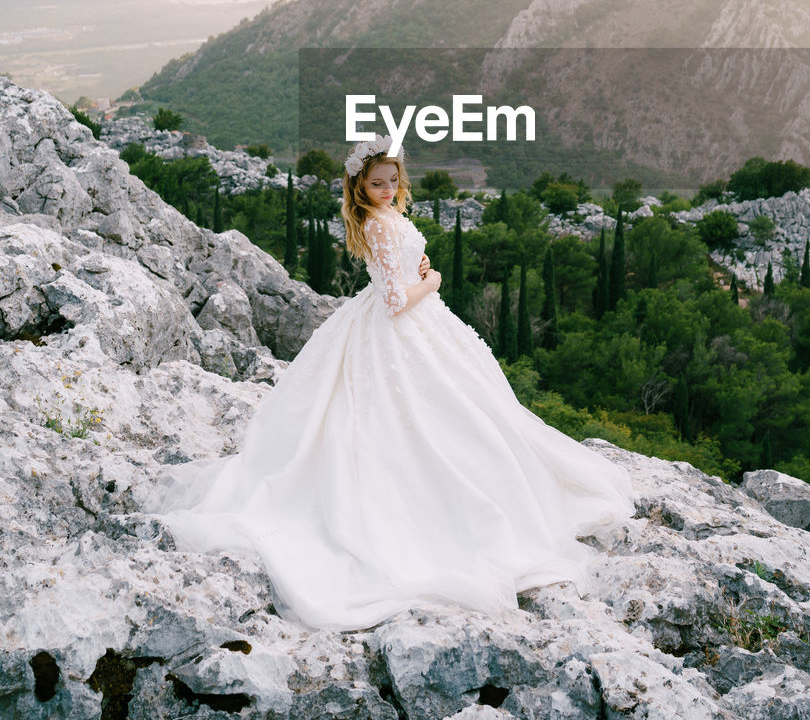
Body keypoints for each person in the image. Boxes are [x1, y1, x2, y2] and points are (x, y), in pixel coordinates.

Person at [145, 136, 634, 632]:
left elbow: (398, 272)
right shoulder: (376, 225)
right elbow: (396, 302)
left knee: (462, 410)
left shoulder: (389, 218)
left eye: (393, 181)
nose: (387, 189)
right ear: (359, 185)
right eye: (377, 183)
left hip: (417, 321)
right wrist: (434, 281)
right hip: (400, 323)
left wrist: (418, 267)